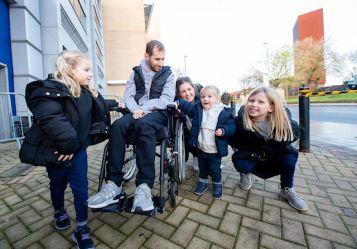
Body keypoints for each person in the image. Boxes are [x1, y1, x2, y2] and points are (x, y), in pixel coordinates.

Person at [19, 50, 112, 249]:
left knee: (81, 189)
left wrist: (119, 105)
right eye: (86, 69)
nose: (90, 74)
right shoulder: (50, 91)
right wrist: (68, 146)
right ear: (70, 69)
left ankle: (82, 228)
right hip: (58, 153)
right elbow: (52, 119)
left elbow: (100, 106)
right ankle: (59, 211)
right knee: (58, 185)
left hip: (77, 152)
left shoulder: (86, 92)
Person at [87, 40, 175, 212]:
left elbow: (166, 100)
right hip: (136, 112)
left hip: (157, 112)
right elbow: (128, 96)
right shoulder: (136, 72)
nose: (161, 63)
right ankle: (113, 184)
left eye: (163, 59)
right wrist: (135, 109)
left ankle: (144, 186)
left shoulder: (168, 74)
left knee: (144, 125)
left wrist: (144, 108)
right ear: (146, 56)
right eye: (157, 59)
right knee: (117, 126)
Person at [230, 86, 308, 211]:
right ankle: (245, 174)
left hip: (273, 156)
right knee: (238, 159)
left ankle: (287, 189)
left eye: (260, 102)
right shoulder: (240, 121)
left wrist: (274, 147)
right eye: (251, 100)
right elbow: (233, 139)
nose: (254, 104)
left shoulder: (283, 123)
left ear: (271, 107)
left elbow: (294, 135)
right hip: (253, 155)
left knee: (290, 156)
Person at [176, 85, 236, 199]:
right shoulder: (198, 110)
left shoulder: (223, 112)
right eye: (203, 96)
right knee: (202, 168)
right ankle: (202, 182)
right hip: (201, 148)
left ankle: (217, 185)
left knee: (215, 169)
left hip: (214, 150)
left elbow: (231, 127)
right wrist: (178, 103)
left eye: (209, 96)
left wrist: (224, 130)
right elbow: (187, 107)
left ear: (217, 99)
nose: (205, 99)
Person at [175, 76, 199, 170]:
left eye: (189, 89)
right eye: (183, 91)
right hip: (188, 135)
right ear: (179, 94)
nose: (187, 93)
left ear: (193, 88)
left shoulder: (202, 100)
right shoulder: (177, 104)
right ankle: (196, 156)